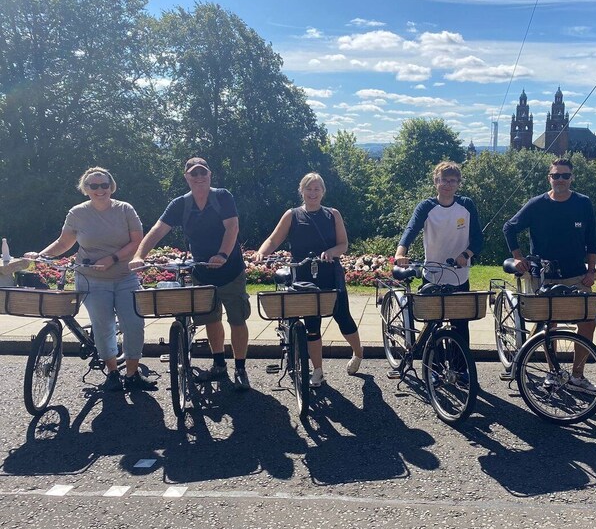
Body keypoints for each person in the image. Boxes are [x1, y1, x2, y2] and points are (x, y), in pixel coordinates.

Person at [25, 167, 153, 392]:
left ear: (111, 187)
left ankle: (132, 374)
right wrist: (41, 255)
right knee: (102, 325)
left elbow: (136, 242)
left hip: (125, 276)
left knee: (134, 323)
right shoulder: (77, 213)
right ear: (86, 189)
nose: (100, 190)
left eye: (104, 185)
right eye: (94, 186)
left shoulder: (125, 209)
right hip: (91, 279)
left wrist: (112, 258)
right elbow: (64, 243)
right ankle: (112, 372)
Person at [129, 157, 251, 391]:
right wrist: (139, 256)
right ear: (186, 177)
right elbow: (157, 230)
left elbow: (232, 227)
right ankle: (219, 365)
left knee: (237, 319)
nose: (199, 177)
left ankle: (241, 368)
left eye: (202, 172)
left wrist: (223, 255)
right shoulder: (180, 204)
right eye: (193, 174)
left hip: (230, 269)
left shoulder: (222, 196)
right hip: (201, 271)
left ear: (210, 175)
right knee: (211, 319)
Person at [255, 173, 364, 387]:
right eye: (309, 189)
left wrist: (332, 251)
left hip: (330, 273)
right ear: (301, 191)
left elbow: (343, 244)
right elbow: (273, 239)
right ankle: (317, 370)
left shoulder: (332, 215)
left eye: (317, 189)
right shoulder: (292, 215)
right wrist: (261, 253)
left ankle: (358, 353)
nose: (313, 193)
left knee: (343, 317)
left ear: (323, 192)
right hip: (303, 275)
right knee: (311, 323)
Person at [502, 158, 596, 393]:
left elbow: (592, 239)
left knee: (588, 322)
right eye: (556, 176)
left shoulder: (583, 203)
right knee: (550, 325)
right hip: (543, 276)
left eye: (565, 176)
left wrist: (591, 271)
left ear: (571, 178)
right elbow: (509, 228)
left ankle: (577, 375)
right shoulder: (537, 204)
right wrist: (518, 257)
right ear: (549, 178)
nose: (560, 180)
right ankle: (554, 372)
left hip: (576, 274)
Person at [394, 160, 484, 347]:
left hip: (459, 275)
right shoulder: (426, 207)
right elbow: (411, 229)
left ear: (459, 183)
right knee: (433, 326)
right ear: (436, 181)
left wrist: (465, 255)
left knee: (460, 325)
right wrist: (400, 252)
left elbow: (478, 240)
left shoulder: (466, 205)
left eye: (452, 181)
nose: (447, 185)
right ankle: (434, 369)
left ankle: (461, 371)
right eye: (444, 180)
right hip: (433, 273)